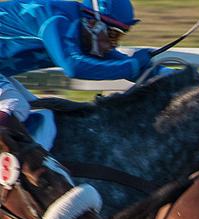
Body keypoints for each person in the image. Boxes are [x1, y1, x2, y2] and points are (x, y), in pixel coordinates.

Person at [0, 0, 152, 134]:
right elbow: (73, 67)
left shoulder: (84, 29)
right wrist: (132, 66)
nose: (113, 45)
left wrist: (158, 71)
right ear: (93, 24)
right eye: (113, 35)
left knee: (39, 112)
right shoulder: (57, 21)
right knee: (15, 106)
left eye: (119, 37)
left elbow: (116, 61)